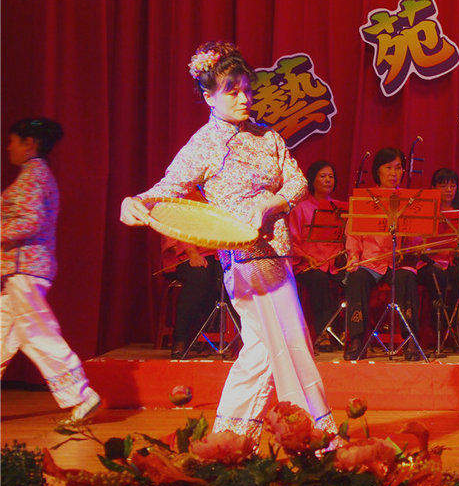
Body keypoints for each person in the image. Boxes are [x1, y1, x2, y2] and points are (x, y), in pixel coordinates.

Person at [120, 42, 336, 443]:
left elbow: (297, 182)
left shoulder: (267, 135)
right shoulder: (205, 144)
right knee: (290, 342)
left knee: (263, 349)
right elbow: (169, 186)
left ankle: (230, 441)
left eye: (247, 90)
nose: (243, 99)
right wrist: (136, 200)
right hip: (246, 258)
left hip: (277, 254)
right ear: (209, 97)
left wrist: (272, 202)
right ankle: (315, 438)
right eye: (232, 92)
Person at [2, 117, 101, 425]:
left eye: (13, 141)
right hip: (18, 270)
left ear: (29, 144)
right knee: (3, 335)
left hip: (25, 269)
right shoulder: (35, 175)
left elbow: (30, 222)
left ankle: (82, 394)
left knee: (37, 333)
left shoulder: (34, 176)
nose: (8, 148)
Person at [344, 147, 420, 360]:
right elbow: (353, 234)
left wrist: (412, 246)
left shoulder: (409, 200)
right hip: (370, 262)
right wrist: (353, 256)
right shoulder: (365, 198)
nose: (394, 173)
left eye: (398, 168)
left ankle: (410, 340)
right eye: (388, 168)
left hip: (397, 263)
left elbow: (416, 237)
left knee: (408, 277)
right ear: (378, 171)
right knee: (357, 278)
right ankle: (357, 339)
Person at [289, 160, 346, 352]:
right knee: (319, 280)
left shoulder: (339, 208)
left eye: (331, 176)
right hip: (308, 265)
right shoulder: (300, 209)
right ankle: (323, 334)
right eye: (323, 176)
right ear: (312, 180)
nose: (328, 180)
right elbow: (291, 242)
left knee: (354, 279)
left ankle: (347, 333)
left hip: (334, 264)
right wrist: (306, 257)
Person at [416, 168, 459, 350]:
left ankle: (452, 316)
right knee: (437, 277)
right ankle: (437, 325)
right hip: (428, 263)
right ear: (433, 188)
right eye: (443, 186)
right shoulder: (425, 211)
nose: (449, 190)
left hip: (450, 262)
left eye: (452, 186)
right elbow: (417, 243)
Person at [159, 234, 224, 359]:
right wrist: (192, 253)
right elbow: (175, 237)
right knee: (199, 276)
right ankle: (181, 339)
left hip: (218, 255)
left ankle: (234, 340)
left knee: (227, 277)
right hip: (184, 256)